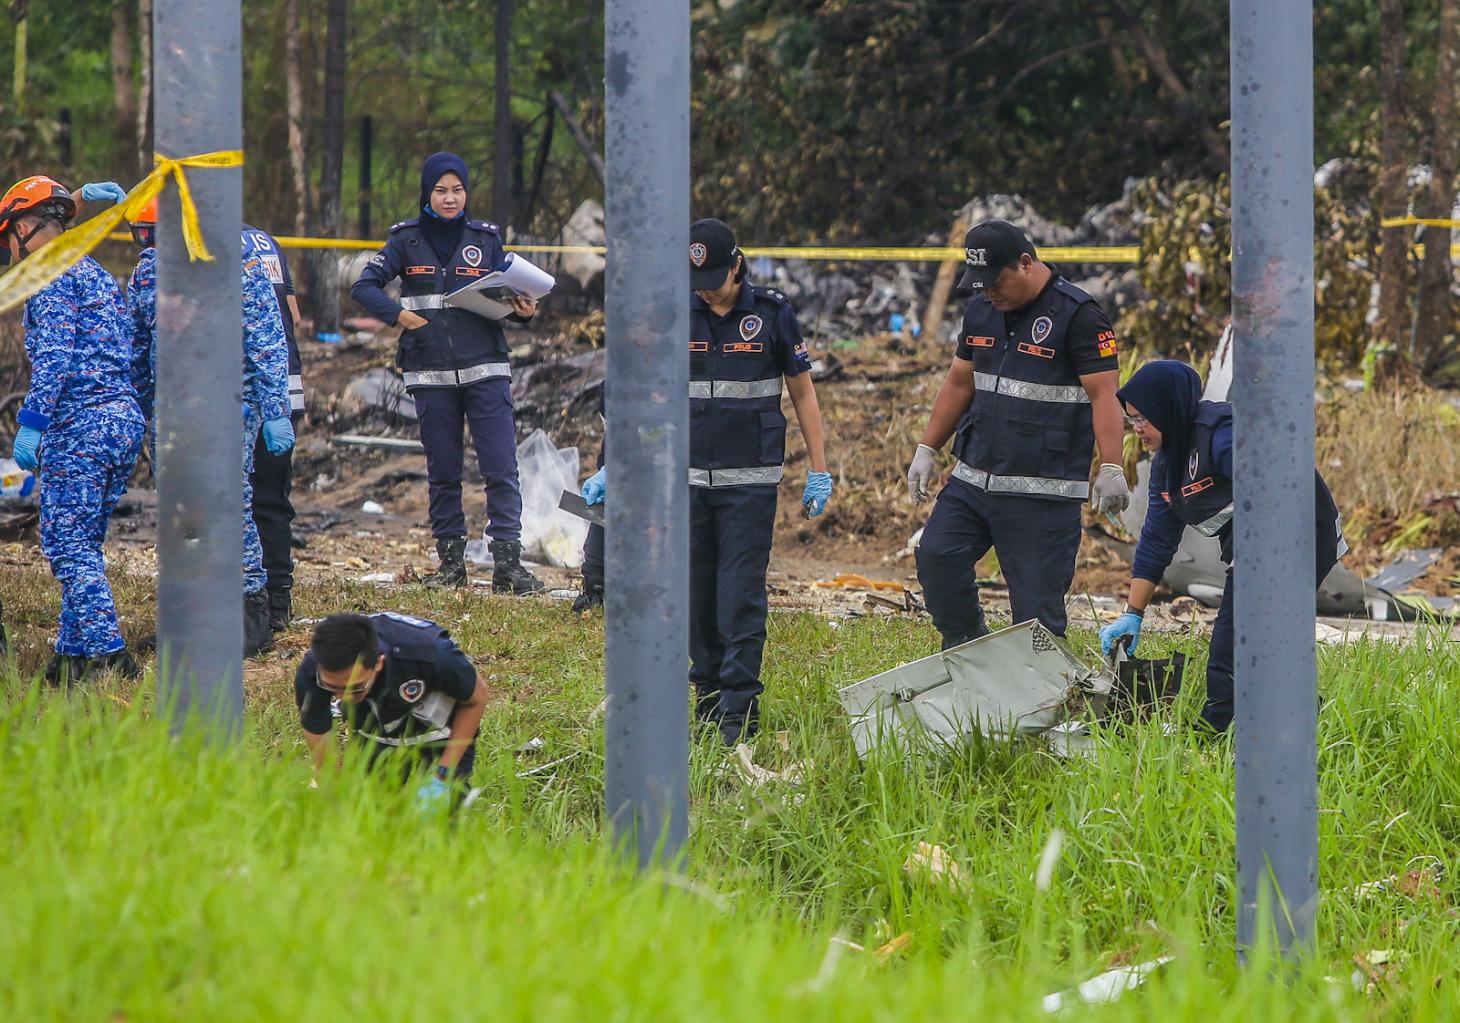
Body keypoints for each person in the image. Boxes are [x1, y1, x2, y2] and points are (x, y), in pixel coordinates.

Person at [581, 218, 833, 745]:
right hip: (686, 481)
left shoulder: (771, 313)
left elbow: (803, 392)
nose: (708, 290)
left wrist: (818, 467)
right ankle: (709, 698)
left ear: (737, 265)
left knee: (738, 594)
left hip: (750, 482)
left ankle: (740, 709)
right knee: (695, 592)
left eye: (716, 279)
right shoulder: (676, 311)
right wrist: (616, 462)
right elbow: (640, 389)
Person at [907, 220, 1128, 648]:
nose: (988, 291)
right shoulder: (980, 310)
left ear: (1026, 263)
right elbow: (959, 382)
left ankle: (1045, 702)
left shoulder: (1078, 316)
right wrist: (926, 446)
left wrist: (1113, 464)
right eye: (980, 282)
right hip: (974, 481)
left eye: (996, 280)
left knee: (1036, 621)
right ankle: (968, 644)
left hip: (1041, 495)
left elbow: (1104, 396)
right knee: (936, 557)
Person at [1099, 360, 1345, 733]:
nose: (1137, 430)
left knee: (1233, 645)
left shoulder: (1223, 434)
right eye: (1131, 420)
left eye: (1142, 419)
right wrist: (1132, 614)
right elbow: (1156, 541)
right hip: (1254, 545)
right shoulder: (1169, 464)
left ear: (1169, 409)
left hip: (1298, 535)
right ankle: (1308, 721)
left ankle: (1215, 734)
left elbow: (1275, 488)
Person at [351, 151, 543, 594]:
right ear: (427, 193)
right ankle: (451, 564)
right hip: (429, 372)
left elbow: (504, 297)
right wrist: (400, 316)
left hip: (486, 368)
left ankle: (508, 566)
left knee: (500, 466)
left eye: (457, 190)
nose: (450, 198)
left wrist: (524, 312)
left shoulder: (486, 238)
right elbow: (364, 287)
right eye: (441, 190)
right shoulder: (405, 240)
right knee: (444, 471)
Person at [126, 198, 295, 655]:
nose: (149, 244)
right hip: (171, 411)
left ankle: (248, 614)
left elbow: (267, 341)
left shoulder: (236, 265)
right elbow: (138, 349)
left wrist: (275, 409)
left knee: (227, 507)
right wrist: (134, 413)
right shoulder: (146, 274)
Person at [0, 175, 145, 684]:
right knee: (84, 539)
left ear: (23, 227)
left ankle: (111, 660)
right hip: (120, 422)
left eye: (7, 238)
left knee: (65, 545)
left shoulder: (52, 276)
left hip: (79, 427)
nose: (9, 251)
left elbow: (56, 360)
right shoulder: (95, 272)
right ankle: (70, 658)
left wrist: (32, 423)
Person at [293, 611, 489, 811]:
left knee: (444, 817)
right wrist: (335, 786)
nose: (345, 697)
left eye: (356, 687)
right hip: (375, 733)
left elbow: (476, 699)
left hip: (440, 727)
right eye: (334, 689)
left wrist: (443, 775)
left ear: (378, 663)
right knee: (371, 813)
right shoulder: (312, 671)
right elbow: (317, 729)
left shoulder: (431, 655)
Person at [242, 225, 306, 631]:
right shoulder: (265, 239)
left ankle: (254, 603)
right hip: (287, 385)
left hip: (245, 394)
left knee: (239, 502)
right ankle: (279, 599)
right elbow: (294, 315)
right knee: (272, 496)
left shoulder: (199, 240)